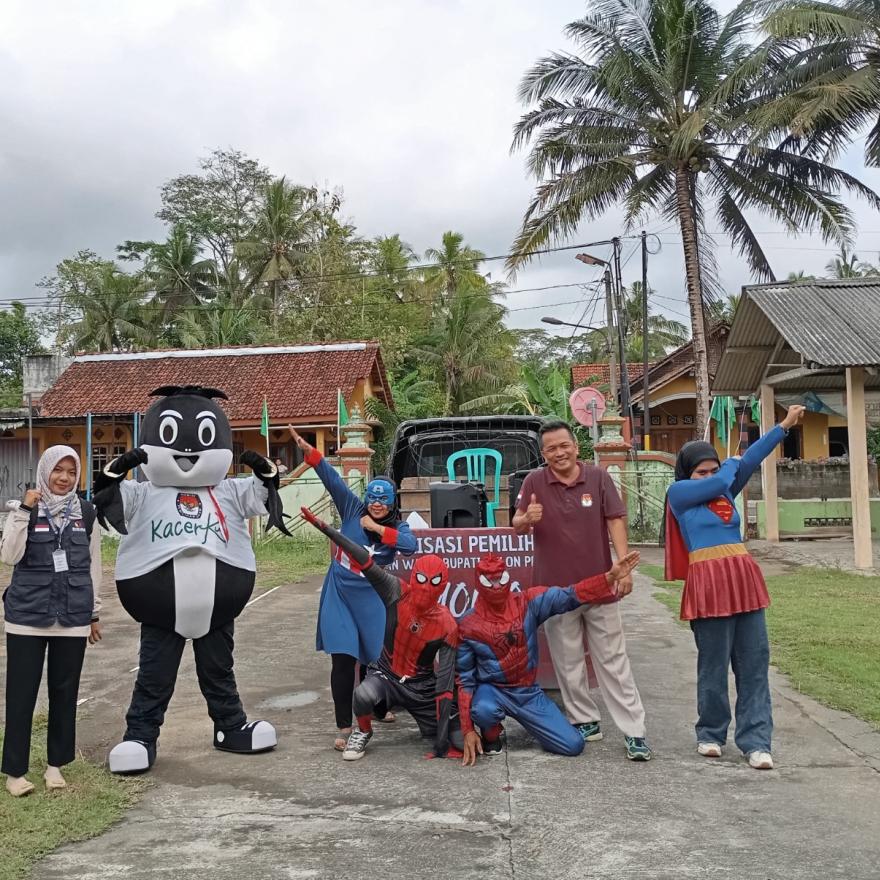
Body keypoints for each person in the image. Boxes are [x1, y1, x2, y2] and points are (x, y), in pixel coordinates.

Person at [664, 404, 805, 770]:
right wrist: (727, 467)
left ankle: (756, 741)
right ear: (687, 474)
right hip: (708, 583)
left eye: (712, 468)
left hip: (743, 579)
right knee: (712, 665)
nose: (708, 475)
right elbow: (727, 475)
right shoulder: (678, 493)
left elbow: (751, 458)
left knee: (754, 663)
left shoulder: (725, 490)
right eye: (701, 471)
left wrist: (783, 427)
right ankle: (710, 734)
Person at [512, 419, 651, 761]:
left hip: (601, 584)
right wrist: (527, 518)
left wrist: (623, 567)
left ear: (576, 447)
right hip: (556, 592)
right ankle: (584, 720)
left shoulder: (600, 478)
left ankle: (634, 731)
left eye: (564, 446)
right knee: (567, 660)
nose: (559, 453)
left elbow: (615, 518)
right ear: (543, 454)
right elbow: (515, 526)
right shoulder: (533, 481)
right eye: (551, 449)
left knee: (613, 661)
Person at [289, 426, 417, 751]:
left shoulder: (397, 525)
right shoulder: (351, 508)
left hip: (373, 597)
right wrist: (311, 452)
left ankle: (377, 707)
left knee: (377, 660)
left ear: (391, 503)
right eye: (371, 498)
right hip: (340, 593)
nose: (375, 504)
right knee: (343, 658)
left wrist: (376, 529)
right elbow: (332, 478)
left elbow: (410, 545)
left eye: (382, 500)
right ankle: (344, 725)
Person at [301, 506, 462, 761]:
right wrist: (326, 528)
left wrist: (443, 740)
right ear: (412, 576)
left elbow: (444, 683)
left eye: (433, 583)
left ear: (442, 586)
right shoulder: (396, 591)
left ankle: (437, 730)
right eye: (420, 579)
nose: (425, 588)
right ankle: (363, 730)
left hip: (421, 687)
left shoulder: (447, 624)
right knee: (363, 694)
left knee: (458, 741)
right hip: (387, 675)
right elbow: (362, 559)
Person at [459, 551, 640, 765]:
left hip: (527, 692)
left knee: (572, 745)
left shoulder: (527, 602)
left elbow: (570, 595)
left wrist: (609, 577)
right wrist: (468, 730)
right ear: (479, 583)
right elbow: (464, 680)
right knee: (484, 709)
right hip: (494, 690)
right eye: (489, 580)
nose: (497, 586)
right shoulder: (468, 625)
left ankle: (534, 724)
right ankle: (491, 735)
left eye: (501, 578)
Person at [1, 446, 102, 797]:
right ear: (46, 471)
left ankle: (55, 766)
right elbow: (9, 555)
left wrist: (93, 613)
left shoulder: (86, 513)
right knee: (21, 694)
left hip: (72, 617)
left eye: (71, 472)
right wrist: (25, 510)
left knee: (64, 693)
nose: (64, 478)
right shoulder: (23, 510)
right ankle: (15, 773)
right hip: (27, 618)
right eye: (58, 470)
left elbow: (93, 567)